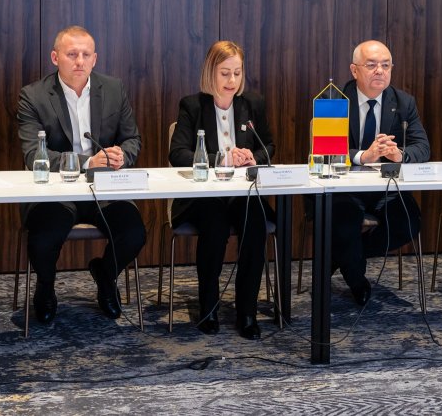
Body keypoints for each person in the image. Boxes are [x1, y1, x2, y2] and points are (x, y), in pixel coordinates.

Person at [17, 26, 146, 324]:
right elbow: (34, 155)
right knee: (43, 238)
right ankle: (46, 287)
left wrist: (120, 156)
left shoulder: (113, 89)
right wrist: (88, 162)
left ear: (94, 59)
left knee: (133, 233)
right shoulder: (33, 96)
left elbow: (132, 139)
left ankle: (106, 275)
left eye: (86, 55)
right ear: (55, 57)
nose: (79, 61)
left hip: (104, 188)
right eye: (72, 54)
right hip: (56, 192)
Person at [168, 41, 275, 339]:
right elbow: (177, 154)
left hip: (242, 194)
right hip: (204, 197)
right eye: (225, 73)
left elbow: (268, 145)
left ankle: (247, 311)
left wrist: (254, 157)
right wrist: (221, 159)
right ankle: (209, 306)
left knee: (255, 223)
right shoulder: (192, 106)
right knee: (214, 224)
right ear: (210, 72)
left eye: (237, 73)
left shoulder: (252, 104)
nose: (232, 81)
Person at [330, 40, 429, 306]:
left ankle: (344, 257)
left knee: (408, 221)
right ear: (354, 70)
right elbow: (325, 152)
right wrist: (363, 156)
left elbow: (423, 147)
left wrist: (400, 155)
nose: (380, 71)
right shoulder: (335, 99)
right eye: (371, 65)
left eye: (386, 65)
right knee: (343, 220)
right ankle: (357, 281)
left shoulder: (403, 102)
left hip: (384, 187)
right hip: (344, 187)